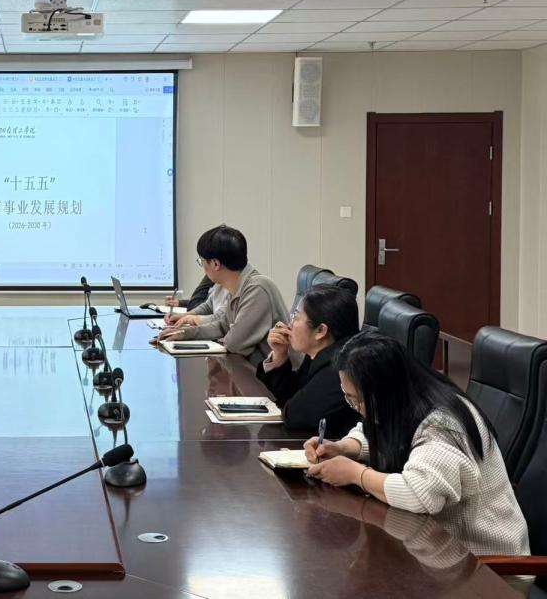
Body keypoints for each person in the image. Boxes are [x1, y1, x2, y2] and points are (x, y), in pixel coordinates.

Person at [305, 331, 529, 558]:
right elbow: (378, 431)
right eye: (348, 397)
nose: (356, 407)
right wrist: (344, 447)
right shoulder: (406, 402)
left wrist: (356, 474)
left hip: (489, 564)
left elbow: (420, 494)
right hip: (443, 554)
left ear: (385, 391)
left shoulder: (442, 424)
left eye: (357, 400)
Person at [156, 226, 286, 366]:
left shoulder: (257, 288)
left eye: (202, 261)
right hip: (251, 368)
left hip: (272, 376)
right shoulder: (237, 286)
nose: (202, 267)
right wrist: (184, 333)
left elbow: (234, 343)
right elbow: (222, 326)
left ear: (216, 264)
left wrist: (224, 335)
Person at [257, 285, 360, 436]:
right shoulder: (320, 353)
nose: (289, 325)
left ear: (320, 331)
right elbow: (291, 395)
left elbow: (295, 415)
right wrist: (280, 355)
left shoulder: (340, 367)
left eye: (296, 317)